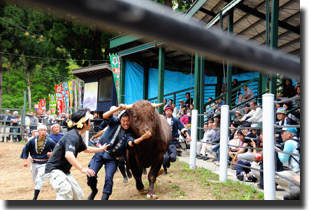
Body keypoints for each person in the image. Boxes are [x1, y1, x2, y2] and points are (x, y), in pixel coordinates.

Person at [86, 104, 152, 200]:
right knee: (91, 174)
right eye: (124, 121)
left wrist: (142, 138)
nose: (126, 123)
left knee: (108, 179)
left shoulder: (129, 133)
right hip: (100, 152)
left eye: (128, 121)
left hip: (113, 158)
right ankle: (94, 190)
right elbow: (105, 116)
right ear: (120, 120)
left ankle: (104, 199)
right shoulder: (114, 122)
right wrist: (118, 109)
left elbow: (130, 143)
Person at [44, 109, 110, 200]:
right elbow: (69, 155)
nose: (91, 122)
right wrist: (82, 169)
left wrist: (100, 149)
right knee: (65, 190)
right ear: (85, 123)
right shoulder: (72, 136)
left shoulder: (77, 136)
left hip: (65, 171)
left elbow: (86, 149)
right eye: (89, 120)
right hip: (54, 170)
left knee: (79, 196)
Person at [20, 124, 56, 200]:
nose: (43, 132)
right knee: (35, 180)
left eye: (44, 130)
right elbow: (25, 150)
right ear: (38, 131)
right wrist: (25, 161)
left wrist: (52, 153)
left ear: (46, 131)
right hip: (34, 163)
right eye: (41, 130)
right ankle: (37, 187)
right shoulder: (32, 141)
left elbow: (57, 149)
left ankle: (35, 198)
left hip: (44, 163)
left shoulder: (50, 141)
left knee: (39, 179)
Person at [163, 105, 191, 175]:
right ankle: (164, 169)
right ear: (165, 112)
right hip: (163, 142)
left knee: (173, 158)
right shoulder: (162, 120)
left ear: (172, 111)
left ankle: (168, 161)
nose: (168, 112)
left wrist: (188, 136)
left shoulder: (175, 120)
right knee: (165, 157)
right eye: (167, 111)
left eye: (170, 111)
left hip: (172, 141)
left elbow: (182, 128)